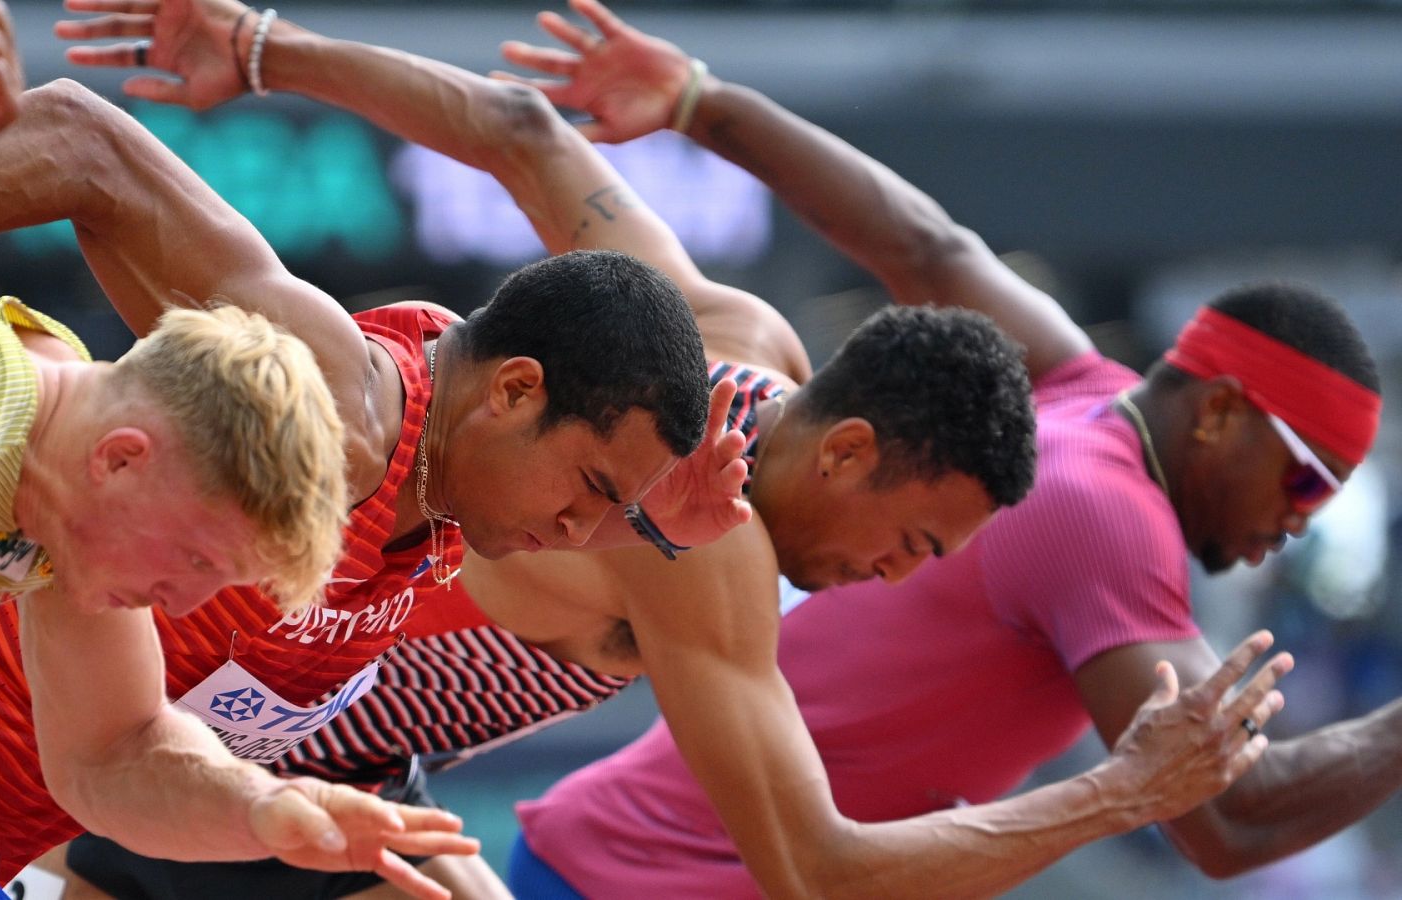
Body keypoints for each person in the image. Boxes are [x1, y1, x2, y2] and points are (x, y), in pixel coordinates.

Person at [0, 3, 1298, 898]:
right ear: (844, 452)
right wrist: (1118, 796)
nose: (899, 577)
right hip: (197, 707)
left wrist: (267, 43)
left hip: (322, 750)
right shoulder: (706, 532)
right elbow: (815, 870)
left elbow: (526, 131)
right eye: (910, 541)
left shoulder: (722, 326)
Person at [0, 6, 746, 899]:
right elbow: (77, 138)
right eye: (589, 488)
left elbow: (119, 751)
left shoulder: (447, 498)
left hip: (23, 806)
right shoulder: (340, 392)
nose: (580, 525)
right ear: (512, 392)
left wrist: (267, 809)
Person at [481, 1, 1394, 896]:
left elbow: (922, 240)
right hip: (647, 882)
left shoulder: (1082, 394)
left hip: (612, 856)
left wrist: (701, 103)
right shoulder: (1108, 519)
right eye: (1302, 479)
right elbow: (1228, 820)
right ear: (1222, 412)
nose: (1297, 522)